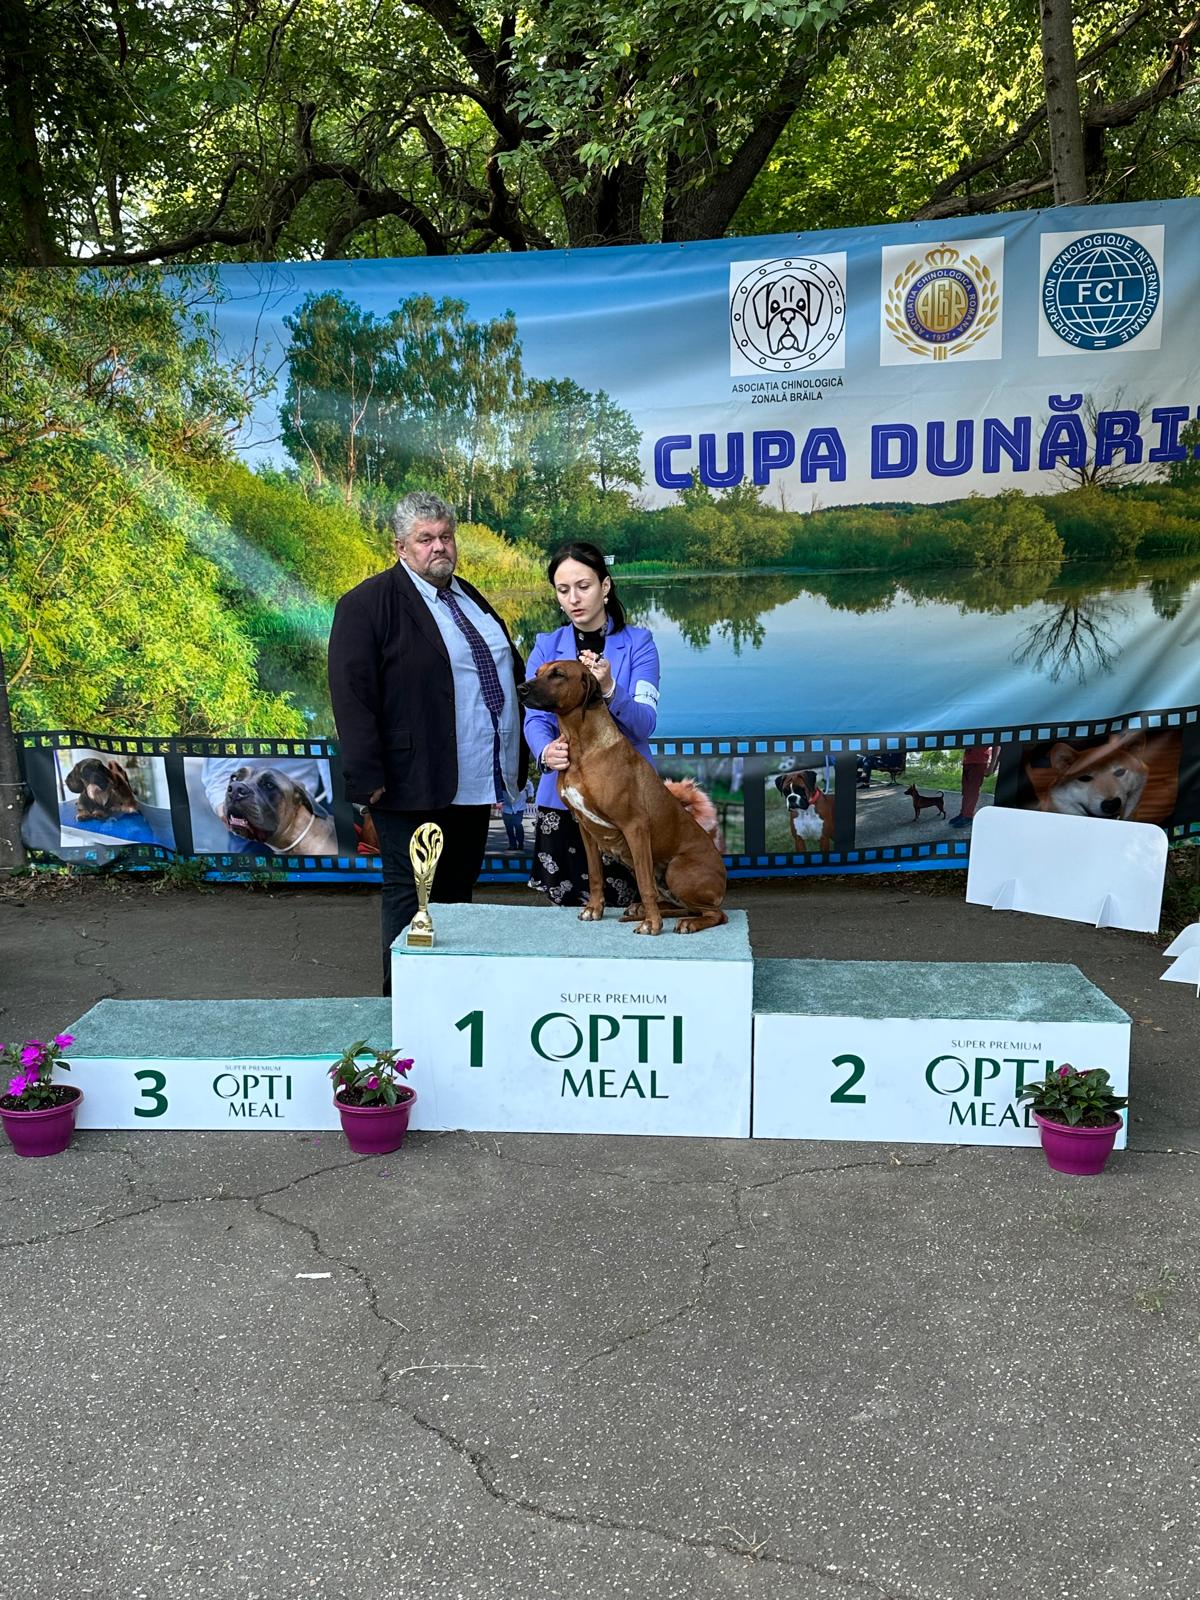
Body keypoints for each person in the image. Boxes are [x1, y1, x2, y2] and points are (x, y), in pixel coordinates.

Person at [327, 490, 527, 990]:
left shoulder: (469, 597)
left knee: (457, 891)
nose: (439, 546)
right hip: (410, 781)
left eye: (445, 536)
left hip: (473, 778)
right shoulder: (366, 604)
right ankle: (402, 1001)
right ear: (400, 547)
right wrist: (366, 776)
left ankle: (449, 996)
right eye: (425, 539)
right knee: (412, 892)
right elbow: (351, 695)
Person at [522, 541, 660, 906]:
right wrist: (545, 751)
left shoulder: (639, 644)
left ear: (605, 585)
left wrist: (611, 688)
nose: (574, 599)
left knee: (628, 913)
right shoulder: (546, 646)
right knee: (568, 915)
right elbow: (534, 717)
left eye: (583, 586)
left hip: (624, 801)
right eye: (563, 590)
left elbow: (644, 725)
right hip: (564, 801)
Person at [950, 744, 1000, 827]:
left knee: (973, 791)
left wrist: (991, 767)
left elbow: (996, 746)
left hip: (979, 762)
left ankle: (968, 816)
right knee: (966, 791)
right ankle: (963, 814)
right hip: (967, 761)